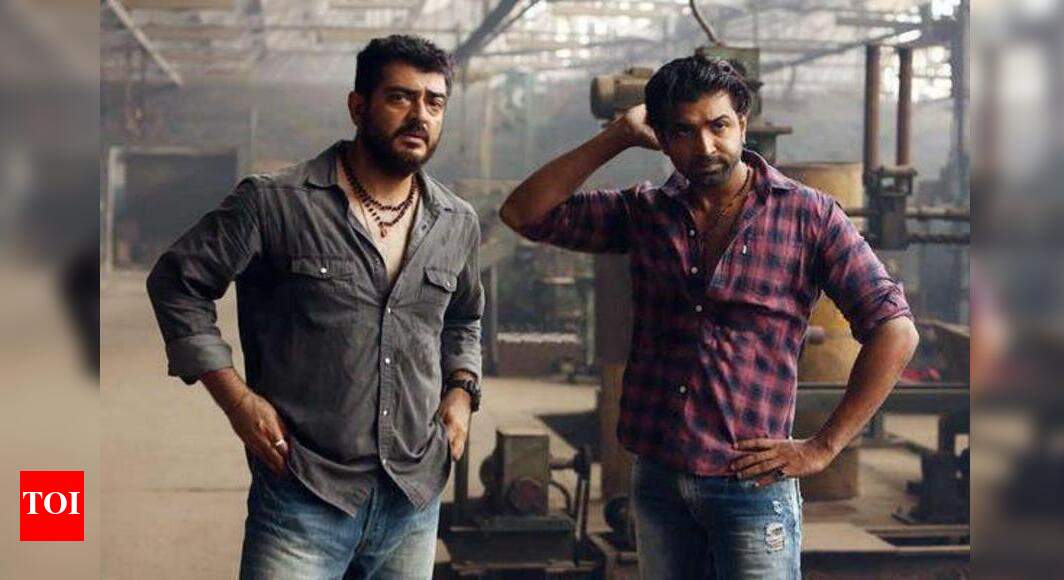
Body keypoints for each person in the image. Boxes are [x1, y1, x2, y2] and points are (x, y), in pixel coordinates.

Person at [499, 56, 918, 579]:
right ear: (661, 138)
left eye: (718, 126)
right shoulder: (646, 212)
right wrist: (617, 137)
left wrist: (824, 446)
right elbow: (524, 213)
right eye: (683, 131)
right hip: (658, 479)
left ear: (742, 123)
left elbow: (895, 329)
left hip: (751, 484)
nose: (704, 147)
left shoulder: (808, 216)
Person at [146, 35, 483, 579]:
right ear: (358, 106)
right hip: (304, 494)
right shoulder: (274, 202)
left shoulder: (455, 221)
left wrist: (462, 391)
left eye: (434, 102)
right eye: (400, 97)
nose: (420, 115)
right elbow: (177, 283)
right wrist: (237, 401)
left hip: (413, 498)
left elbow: (464, 316)